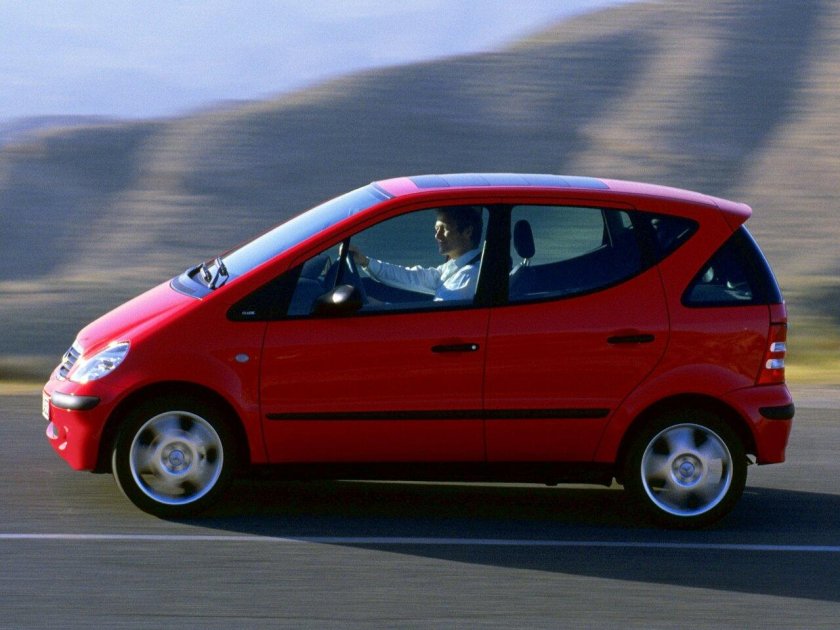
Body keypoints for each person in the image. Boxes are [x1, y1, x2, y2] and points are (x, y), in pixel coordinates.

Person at [351, 206, 483, 301]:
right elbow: (411, 276)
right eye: (436, 229)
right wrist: (366, 262)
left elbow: (438, 319)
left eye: (444, 229)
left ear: (467, 232)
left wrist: (379, 308)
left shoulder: (468, 276)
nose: (437, 235)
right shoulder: (454, 267)